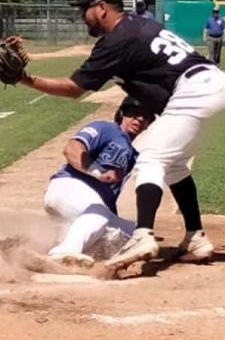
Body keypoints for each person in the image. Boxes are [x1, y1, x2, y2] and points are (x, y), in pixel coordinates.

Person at [13, 0, 225, 271]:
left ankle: (143, 235)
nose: (84, 17)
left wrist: (24, 79)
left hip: (197, 89)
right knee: (174, 165)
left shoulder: (117, 38)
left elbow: (73, 89)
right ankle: (195, 237)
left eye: (86, 10)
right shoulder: (137, 27)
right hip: (218, 87)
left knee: (151, 160)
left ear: (101, 8)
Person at [43, 96, 153, 268]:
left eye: (145, 117)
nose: (139, 119)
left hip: (88, 205)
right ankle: (61, 253)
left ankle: (67, 244)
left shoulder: (132, 157)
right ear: (122, 114)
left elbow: (109, 199)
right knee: (99, 215)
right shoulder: (106, 129)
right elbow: (72, 149)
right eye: (135, 113)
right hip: (68, 186)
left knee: (134, 235)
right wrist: (96, 172)